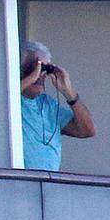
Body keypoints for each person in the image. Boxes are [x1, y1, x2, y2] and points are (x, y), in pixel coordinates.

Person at [19, 39, 95, 170]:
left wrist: (68, 91)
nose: (39, 74)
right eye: (33, 67)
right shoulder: (10, 102)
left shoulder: (49, 105)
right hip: (16, 184)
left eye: (44, 69)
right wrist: (30, 78)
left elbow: (87, 130)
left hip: (47, 185)